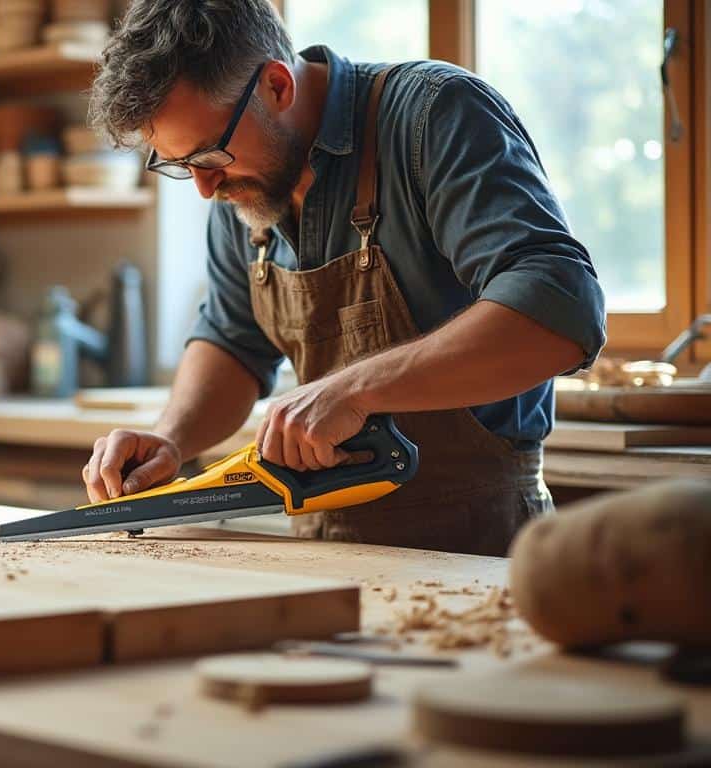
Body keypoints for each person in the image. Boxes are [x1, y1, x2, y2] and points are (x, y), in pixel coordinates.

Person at [80, 0, 606, 556]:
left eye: (209, 156)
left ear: (277, 87)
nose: (204, 188)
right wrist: (170, 437)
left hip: (477, 544)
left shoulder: (434, 115)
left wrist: (354, 389)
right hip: (324, 549)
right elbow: (233, 342)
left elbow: (559, 308)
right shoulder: (243, 189)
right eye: (180, 164)